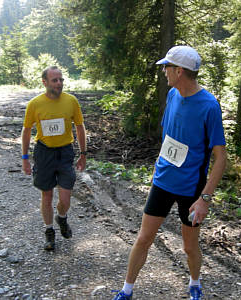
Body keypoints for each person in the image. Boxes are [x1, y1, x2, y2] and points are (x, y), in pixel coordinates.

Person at [112, 46, 226, 300]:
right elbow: (168, 136)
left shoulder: (209, 106)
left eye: (167, 67)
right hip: (163, 182)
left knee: (189, 245)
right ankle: (126, 291)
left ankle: (195, 284)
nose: (163, 71)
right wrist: (157, 168)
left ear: (179, 71)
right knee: (143, 238)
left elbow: (221, 158)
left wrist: (205, 199)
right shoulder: (173, 95)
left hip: (191, 189)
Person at [21, 66, 87, 251]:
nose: (59, 83)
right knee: (47, 194)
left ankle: (62, 217)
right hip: (44, 153)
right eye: (55, 80)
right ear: (45, 82)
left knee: (65, 198)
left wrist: (83, 154)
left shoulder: (71, 101)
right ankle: (49, 231)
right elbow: (26, 131)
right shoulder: (35, 104)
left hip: (65, 152)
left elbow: (80, 127)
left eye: (61, 80)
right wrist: (25, 157)